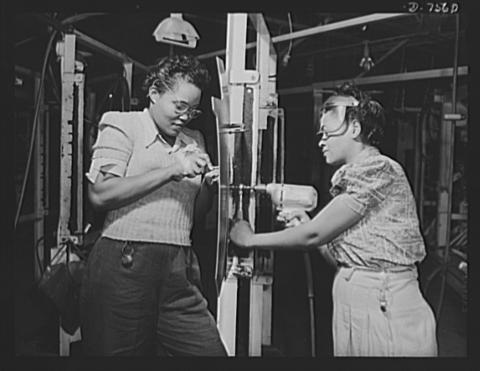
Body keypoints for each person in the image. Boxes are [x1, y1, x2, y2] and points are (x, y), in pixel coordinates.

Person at [229, 82, 438, 357]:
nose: (321, 141)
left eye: (328, 134)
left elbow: (314, 235)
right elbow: (342, 258)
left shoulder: (377, 169)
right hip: (362, 299)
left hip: (383, 302)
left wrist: (249, 239)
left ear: (354, 128)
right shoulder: (355, 180)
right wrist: (307, 225)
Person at [80, 54, 227, 356]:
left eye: (193, 110)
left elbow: (194, 215)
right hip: (125, 259)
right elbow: (100, 195)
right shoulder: (122, 124)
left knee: (208, 351)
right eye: (179, 106)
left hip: (179, 264)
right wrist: (172, 169)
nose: (185, 116)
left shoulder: (194, 139)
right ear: (154, 93)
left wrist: (209, 186)